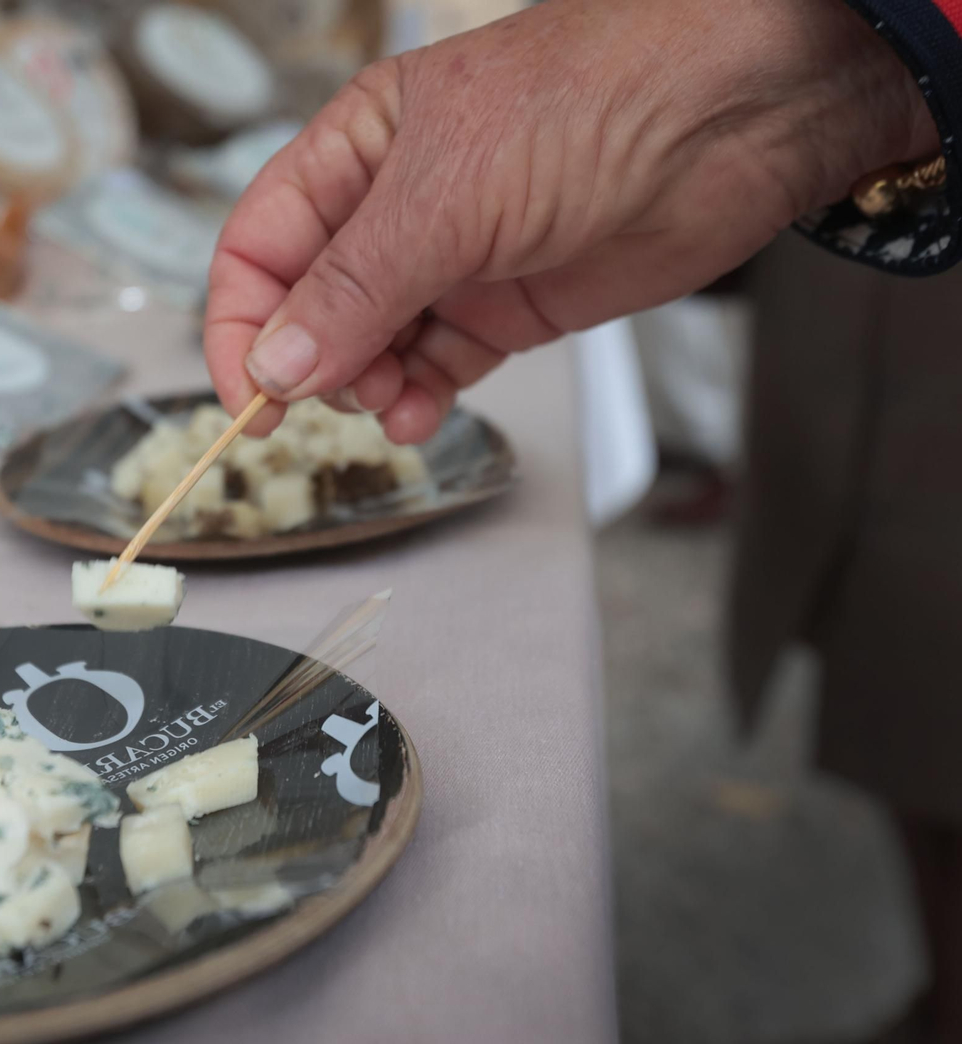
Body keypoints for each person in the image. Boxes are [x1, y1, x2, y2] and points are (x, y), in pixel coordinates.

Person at [202, 0, 962, 1039]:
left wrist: (744, 52)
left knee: (933, 640)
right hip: (882, 208)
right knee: (876, 646)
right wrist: (813, 98)